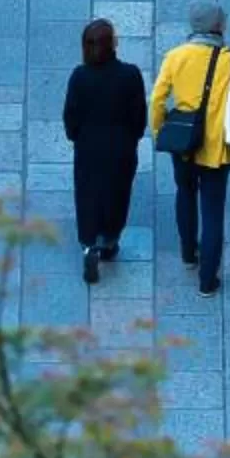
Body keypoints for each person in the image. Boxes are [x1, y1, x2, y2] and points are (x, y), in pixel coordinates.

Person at [149, 3, 230, 296]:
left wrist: (161, 132)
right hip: (218, 148)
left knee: (184, 192)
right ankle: (208, 281)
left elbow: (157, 100)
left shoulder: (175, 56)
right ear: (218, 27)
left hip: (183, 142)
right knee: (213, 211)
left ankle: (187, 253)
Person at [62, 18, 148, 285]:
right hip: (121, 147)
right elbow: (139, 116)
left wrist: (77, 137)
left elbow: (70, 116)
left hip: (88, 148)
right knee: (117, 194)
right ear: (112, 44)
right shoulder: (130, 75)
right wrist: (132, 137)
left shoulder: (80, 76)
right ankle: (109, 242)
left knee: (88, 194)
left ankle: (89, 243)